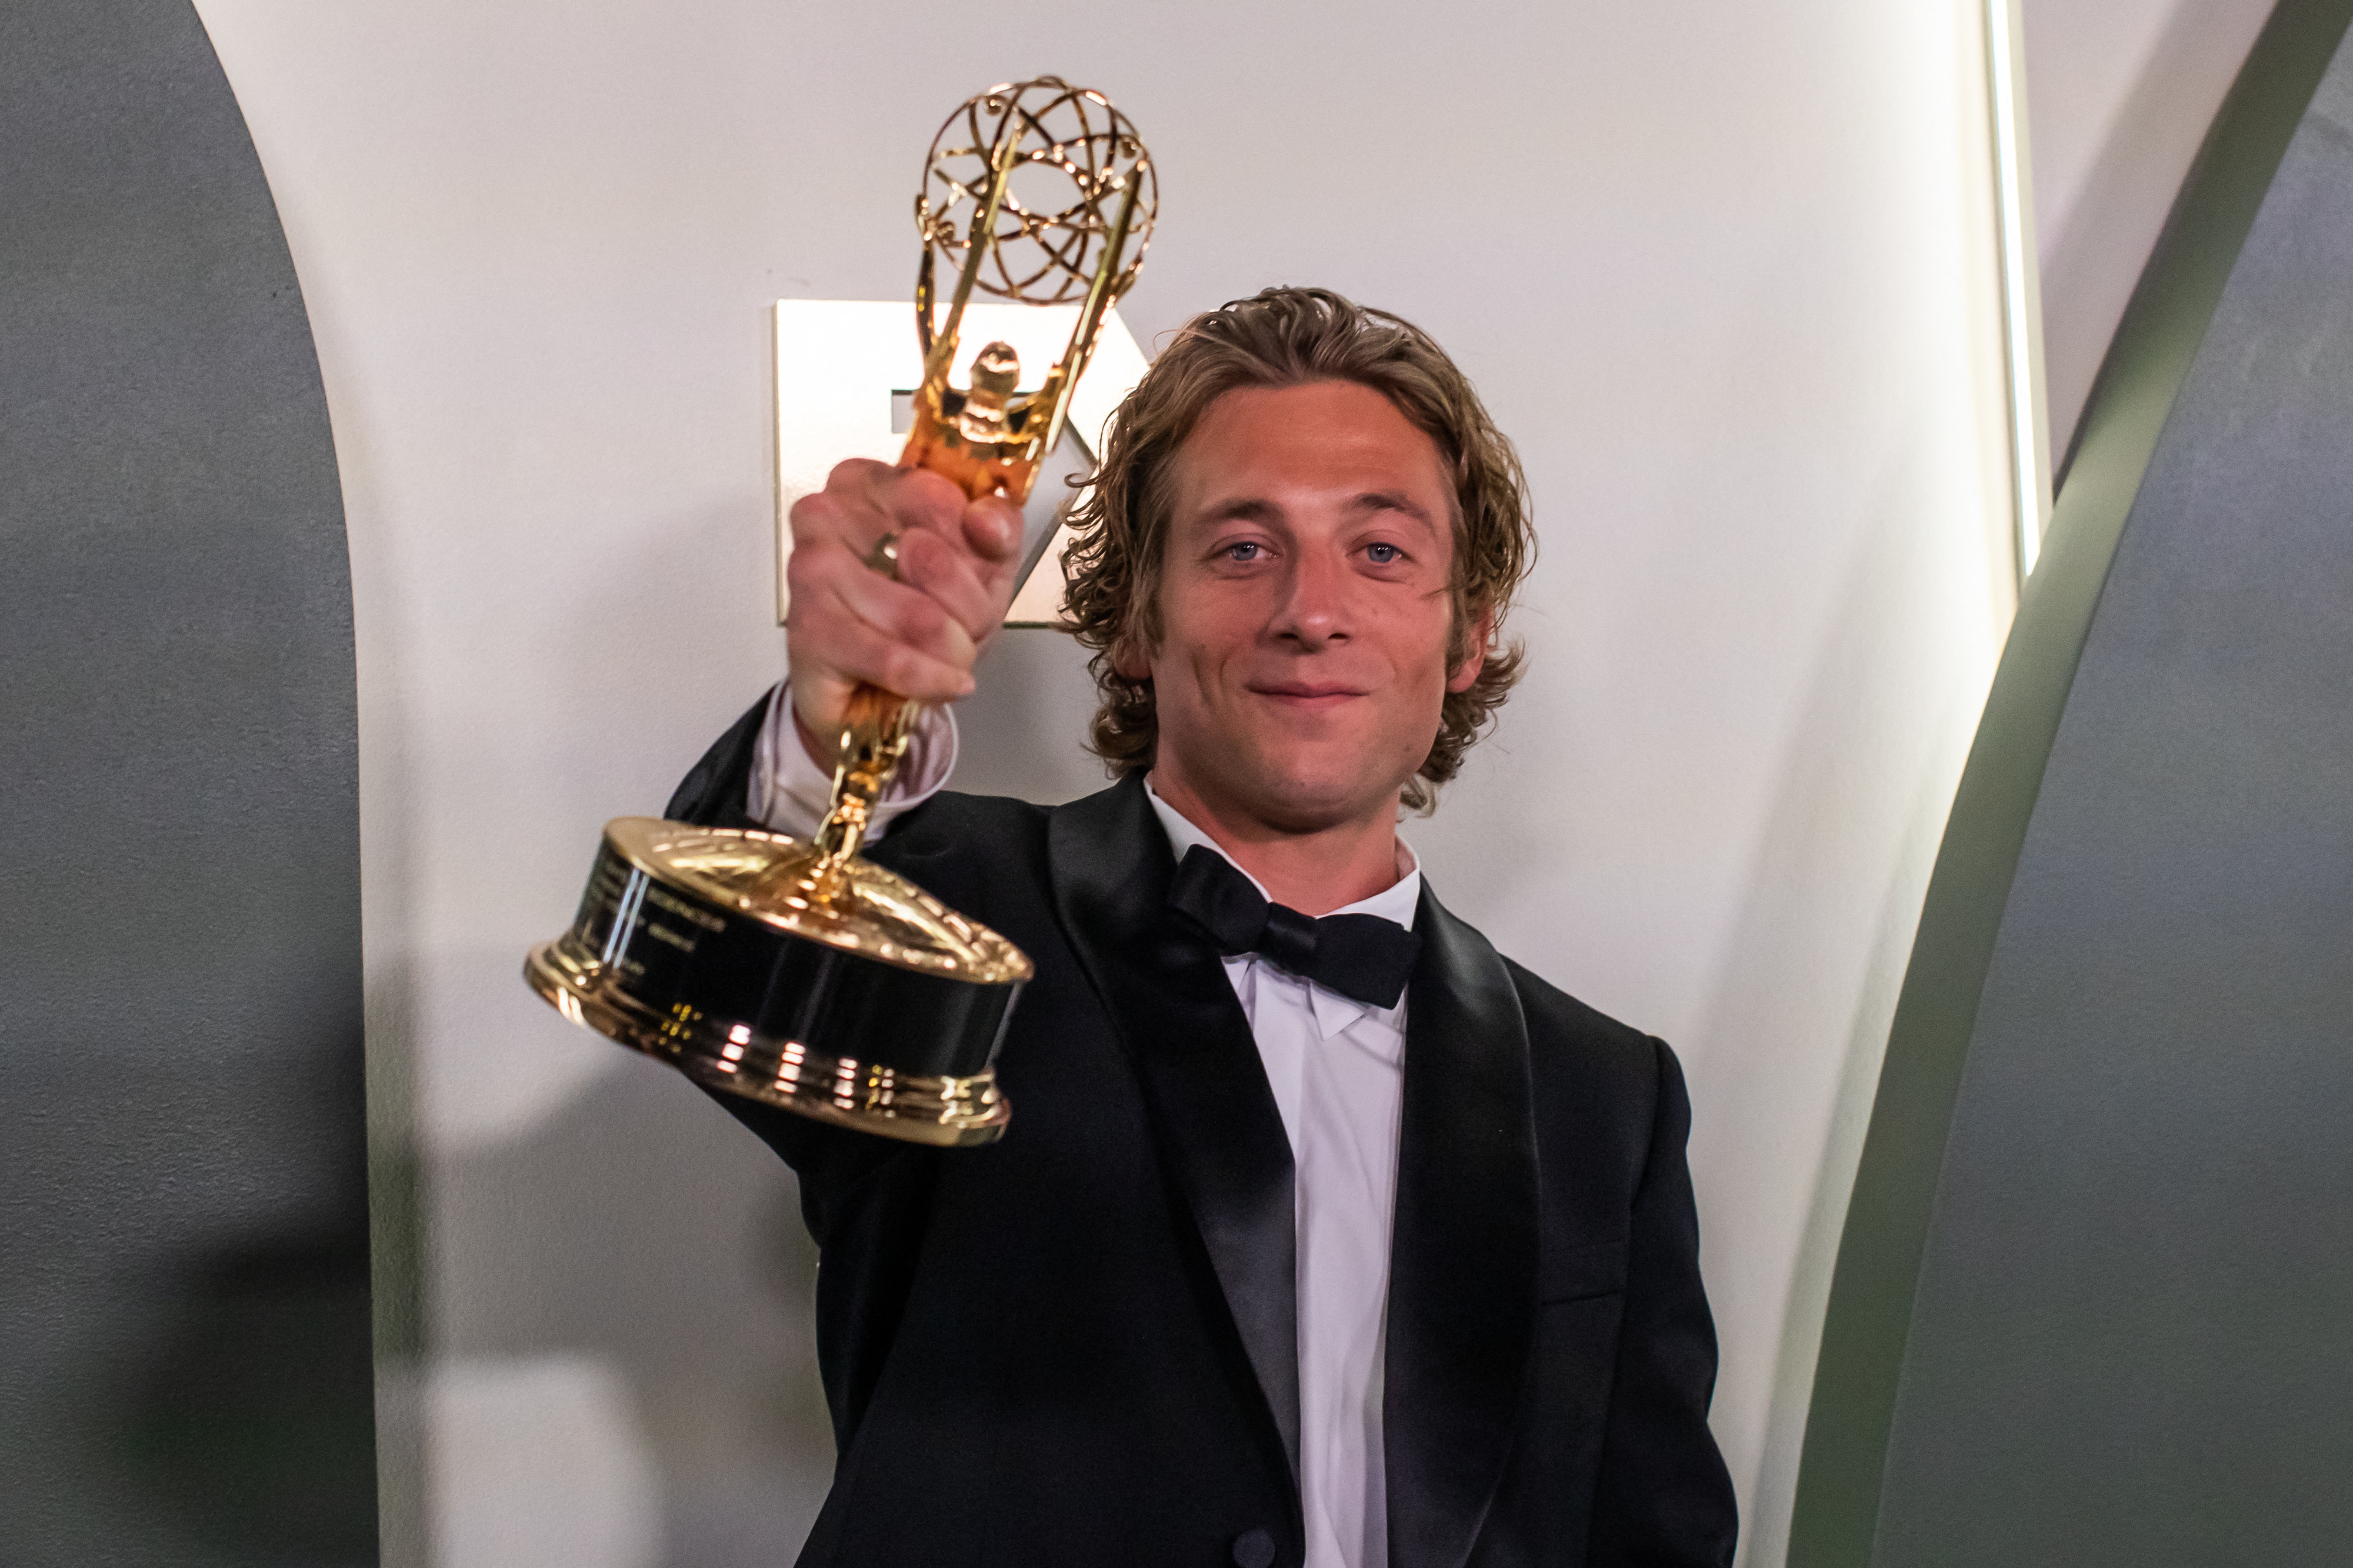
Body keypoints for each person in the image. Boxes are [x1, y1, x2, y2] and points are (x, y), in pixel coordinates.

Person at [664, 286, 1738, 1568]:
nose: (1309, 609)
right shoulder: (957, 910)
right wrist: (833, 743)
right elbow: (703, 966)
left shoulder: (1604, 1096)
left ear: (1468, 633)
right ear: (1131, 618)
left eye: (1380, 552)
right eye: (1240, 548)